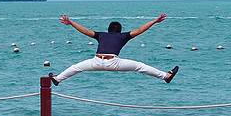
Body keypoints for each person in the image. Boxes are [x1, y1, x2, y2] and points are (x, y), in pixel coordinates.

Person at [48, 14, 178, 85]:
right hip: (113, 62)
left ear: (108, 30)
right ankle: (165, 76)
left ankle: (58, 78)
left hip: (96, 61)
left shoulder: (101, 35)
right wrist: (154, 21)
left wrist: (71, 23)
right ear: (119, 30)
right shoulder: (123, 36)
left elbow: (85, 31)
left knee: (76, 67)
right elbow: (140, 30)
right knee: (140, 66)